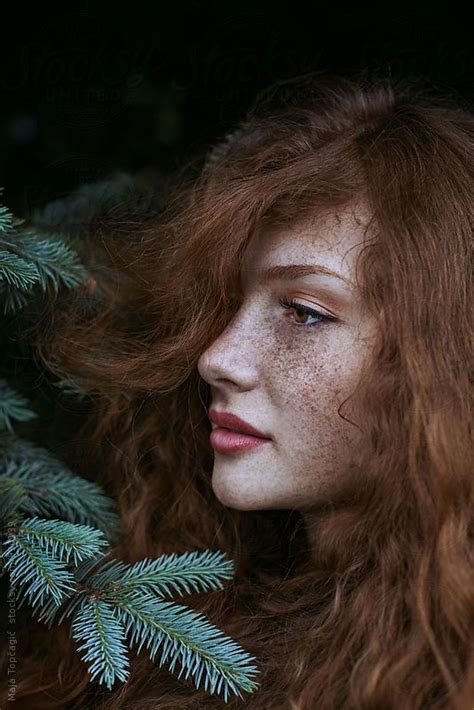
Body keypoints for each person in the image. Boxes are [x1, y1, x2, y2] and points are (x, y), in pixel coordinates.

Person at [1, 71, 472, 709]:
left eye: (304, 312)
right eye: (228, 304)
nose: (218, 357)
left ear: (441, 362)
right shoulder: (185, 612)